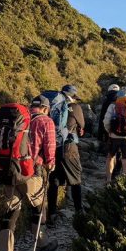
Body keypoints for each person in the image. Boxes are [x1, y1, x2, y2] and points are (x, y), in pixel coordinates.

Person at [0, 95, 56, 251]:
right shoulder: (46, 121)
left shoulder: (18, 119)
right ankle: (43, 244)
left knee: (11, 211)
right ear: (46, 108)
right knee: (37, 207)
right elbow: (50, 148)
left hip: (10, 170)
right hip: (31, 172)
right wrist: (49, 164)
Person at [47, 84, 85, 224]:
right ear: (73, 97)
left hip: (53, 146)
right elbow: (82, 125)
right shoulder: (75, 107)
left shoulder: (51, 105)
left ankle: (51, 213)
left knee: (54, 181)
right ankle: (79, 211)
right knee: (76, 179)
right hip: (69, 146)